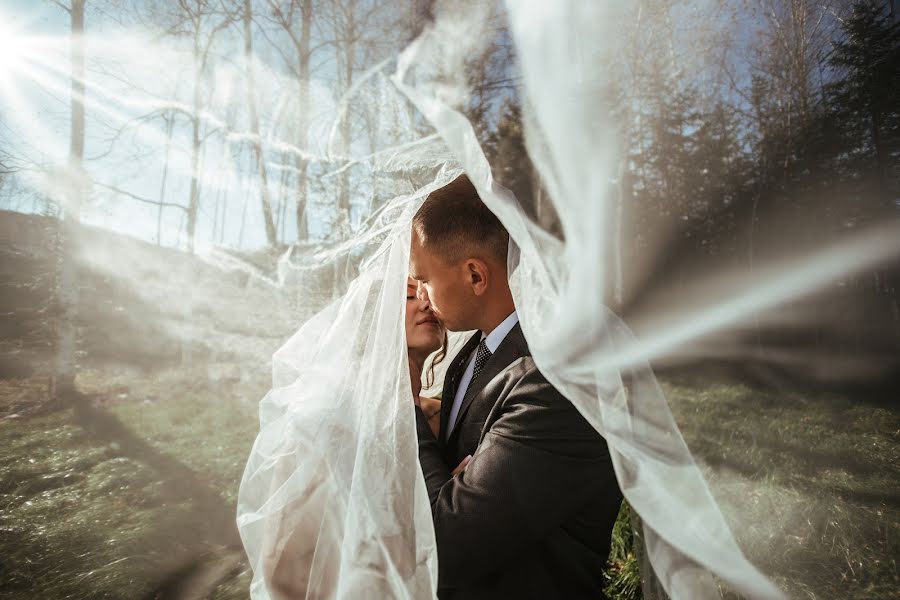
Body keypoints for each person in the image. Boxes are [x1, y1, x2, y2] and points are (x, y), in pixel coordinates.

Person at [408, 173, 624, 599]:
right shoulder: (470, 355)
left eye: (424, 279)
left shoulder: (555, 379)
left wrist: (403, 404)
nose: (421, 295)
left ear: (475, 275)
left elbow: (447, 544)